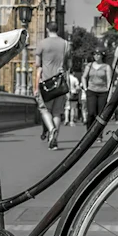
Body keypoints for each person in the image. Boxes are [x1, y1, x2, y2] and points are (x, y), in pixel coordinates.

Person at [34, 20, 71, 149]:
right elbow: (68, 65)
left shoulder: (42, 44)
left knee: (44, 110)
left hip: (46, 83)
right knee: (57, 112)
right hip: (60, 83)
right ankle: (54, 141)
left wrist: (35, 87)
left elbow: (38, 67)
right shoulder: (66, 44)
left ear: (47, 29)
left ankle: (51, 129)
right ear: (58, 29)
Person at [83, 49, 112, 128]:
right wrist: (85, 88)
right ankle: (89, 131)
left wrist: (110, 94)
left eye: (98, 54)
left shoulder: (106, 67)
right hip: (91, 91)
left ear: (102, 56)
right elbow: (84, 77)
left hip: (103, 92)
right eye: (95, 54)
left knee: (100, 114)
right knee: (91, 113)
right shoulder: (89, 65)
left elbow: (109, 80)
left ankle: (99, 134)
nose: (96, 56)